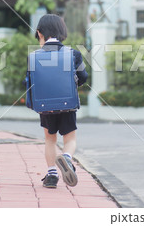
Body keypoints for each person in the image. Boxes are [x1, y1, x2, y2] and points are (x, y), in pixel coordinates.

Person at [30, 14, 88, 189]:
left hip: (45, 106)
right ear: (62, 33)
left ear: (40, 33)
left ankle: (52, 175)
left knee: (50, 140)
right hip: (67, 105)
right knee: (70, 139)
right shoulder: (74, 54)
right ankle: (67, 158)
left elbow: (31, 82)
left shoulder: (34, 57)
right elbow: (83, 77)